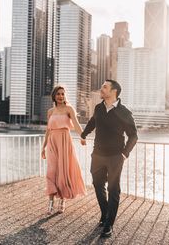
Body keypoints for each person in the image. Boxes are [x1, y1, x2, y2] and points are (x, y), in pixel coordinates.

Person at [80, 80, 138, 238]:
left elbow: (133, 135)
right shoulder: (99, 107)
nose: (101, 88)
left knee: (113, 189)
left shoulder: (124, 112)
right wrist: (84, 134)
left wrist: (124, 153)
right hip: (97, 155)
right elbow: (93, 122)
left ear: (114, 91)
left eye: (105, 87)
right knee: (97, 184)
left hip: (115, 157)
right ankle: (106, 214)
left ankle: (108, 224)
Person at [41, 85, 86, 214]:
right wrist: (43, 147)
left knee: (63, 171)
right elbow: (48, 130)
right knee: (51, 171)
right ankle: (50, 203)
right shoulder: (50, 111)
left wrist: (82, 137)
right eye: (58, 94)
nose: (61, 96)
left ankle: (62, 199)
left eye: (62, 94)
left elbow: (76, 125)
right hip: (52, 143)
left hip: (65, 142)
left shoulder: (69, 109)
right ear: (54, 96)